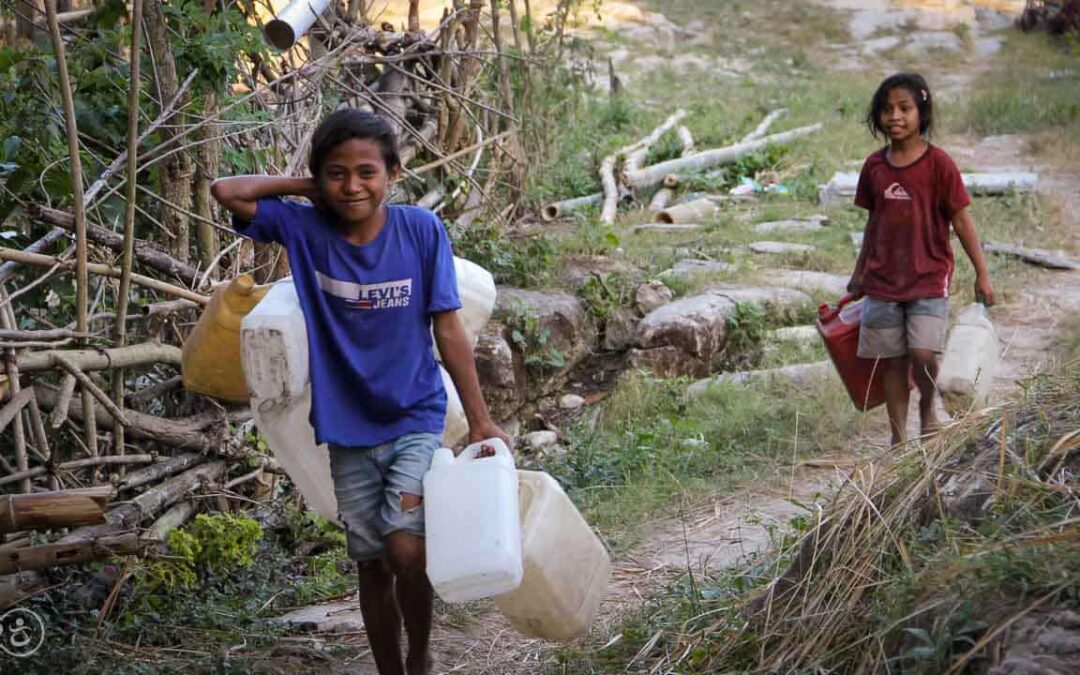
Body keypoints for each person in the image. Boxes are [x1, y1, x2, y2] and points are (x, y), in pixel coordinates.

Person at [211, 109, 510, 675]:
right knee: (371, 562)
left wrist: (480, 419)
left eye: (367, 173)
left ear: (393, 174)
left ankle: (419, 655)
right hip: (347, 424)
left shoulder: (420, 231)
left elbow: (448, 326)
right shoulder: (306, 229)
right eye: (337, 174)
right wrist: (311, 189)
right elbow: (227, 190)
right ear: (320, 179)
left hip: (414, 414)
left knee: (404, 548)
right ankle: (389, 670)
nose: (353, 186)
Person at [847, 73, 996, 447]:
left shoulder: (939, 165)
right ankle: (898, 438)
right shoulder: (874, 167)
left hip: (928, 276)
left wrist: (982, 272)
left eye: (904, 108)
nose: (894, 116)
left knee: (922, 353)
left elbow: (961, 218)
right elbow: (873, 222)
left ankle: (927, 408)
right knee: (893, 360)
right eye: (886, 109)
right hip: (882, 281)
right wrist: (859, 273)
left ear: (922, 111)